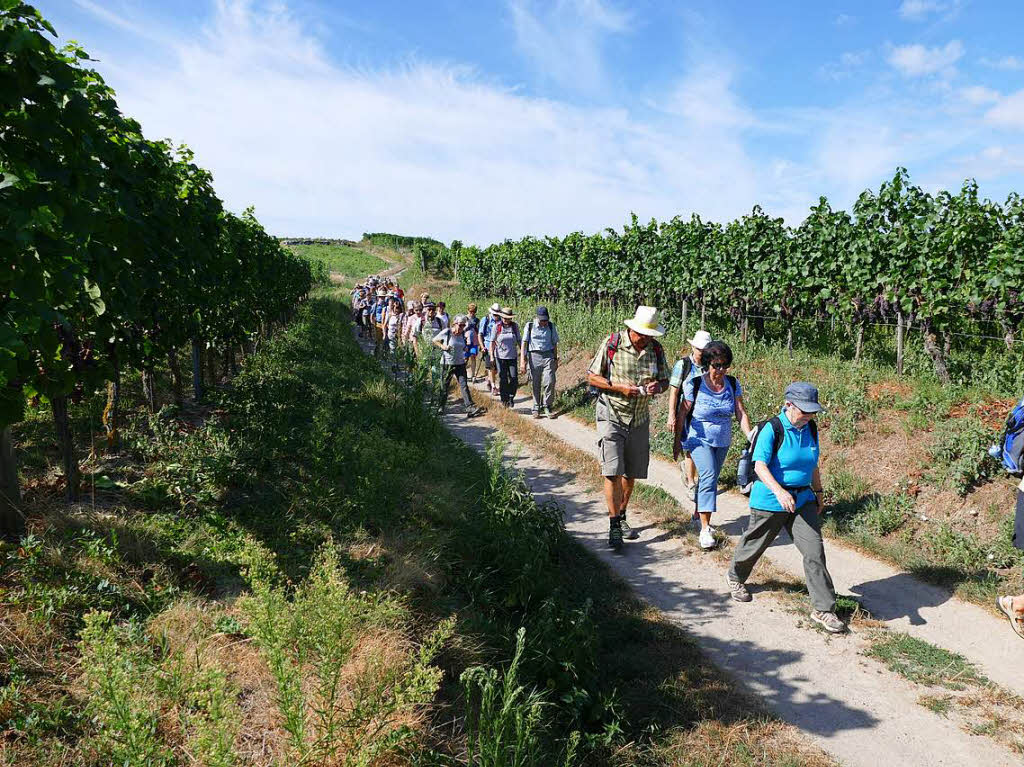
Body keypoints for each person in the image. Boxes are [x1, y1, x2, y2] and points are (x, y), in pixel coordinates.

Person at [726, 382, 845, 634]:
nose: (810, 416)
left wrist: (819, 492)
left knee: (814, 550)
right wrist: (779, 492)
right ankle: (735, 577)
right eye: (805, 410)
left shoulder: (810, 427)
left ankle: (824, 608)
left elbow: (812, 464)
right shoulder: (772, 428)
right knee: (755, 543)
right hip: (770, 499)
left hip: (803, 500)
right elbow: (759, 465)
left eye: (813, 411)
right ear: (789, 405)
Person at [586, 306, 670, 549]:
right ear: (632, 330)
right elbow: (592, 376)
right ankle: (614, 526)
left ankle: (622, 515)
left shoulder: (655, 350)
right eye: (643, 334)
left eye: (650, 335)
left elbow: (665, 380)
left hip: (640, 418)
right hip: (611, 413)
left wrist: (658, 387)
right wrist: (617, 387)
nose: (647, 339)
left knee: (631, 472)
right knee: (611, 470)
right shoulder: (612, 344)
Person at [677, 340, 753, 550]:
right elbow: (682, 413)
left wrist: (750, 435)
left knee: (710, 477)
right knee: (709, 475)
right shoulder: (694, 384)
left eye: (724, 365)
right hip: (698, 438)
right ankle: (705, 529)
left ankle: (697, 511)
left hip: (722, 439)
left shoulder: (732, 383)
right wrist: (677, 441)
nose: (720, 370)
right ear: (707, 364)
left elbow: (740, 412)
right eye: (716, 365)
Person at [668, 330, 712, 500]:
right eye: (699, 348)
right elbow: (674, 391)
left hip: (706, 414)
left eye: (705, 349)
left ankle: (694, 475)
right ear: (693, 347)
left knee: (703, 447)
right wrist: (672, 415)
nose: (702, 352)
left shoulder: (711, 365)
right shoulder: (683, 365)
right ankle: (691, 482)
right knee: (690, 447)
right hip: (686, 413)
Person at [433, 316, 484, 418]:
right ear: (454, 324)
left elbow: (463, 348)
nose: (462, 327)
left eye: (463, 325)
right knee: (445, 386)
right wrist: (443, 347)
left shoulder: (462, 335)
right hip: (447, 363)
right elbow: (435, 340)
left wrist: (468, 348)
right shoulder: (447, 332)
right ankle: (440, 406)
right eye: (460, 325)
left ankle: (470, 407)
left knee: (464, 385)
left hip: (460, 363)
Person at [520, 306, 559, 419]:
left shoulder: (551, 326)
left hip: (548, 356)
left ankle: (547, 405)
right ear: (537, 317)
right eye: (542, 320)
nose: (544, 322)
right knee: (535, 382)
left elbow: (555, 343)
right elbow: (524, 343)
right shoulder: (530, 326)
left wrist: (555, 359)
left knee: (550, 381)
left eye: (545, 320)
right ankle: (536, 406)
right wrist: (522, 361)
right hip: (534, 356)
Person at [489, 307, 521, 408]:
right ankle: (504, 400)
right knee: (503, 378)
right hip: (500, 357)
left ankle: (511, 396)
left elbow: (519, 340)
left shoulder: (515, 327)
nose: (505, 320)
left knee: (514, 378)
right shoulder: (497, 327)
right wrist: (491, 357)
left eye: (508, 318)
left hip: (512, 356)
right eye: (504, 317)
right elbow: (492, 342)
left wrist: (524, 354)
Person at [479, 303, 501, 397]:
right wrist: (482, 346)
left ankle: (489, 379)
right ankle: (493, 386)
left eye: (498, 314)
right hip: (488, 346)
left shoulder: (501, 321)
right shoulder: (486, 319)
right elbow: (480, 334)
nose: (496, 316)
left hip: (499, 348)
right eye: (495, 314)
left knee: (496, 369)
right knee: (491, 367)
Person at [464, 303, 481, 382]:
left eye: (474, 311)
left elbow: (479, 332)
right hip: (466, 341)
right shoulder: (464, 318)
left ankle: (473, 375)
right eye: (471, 311)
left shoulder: (477, 320)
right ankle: (463, 374)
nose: (472, 313)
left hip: (474, 342)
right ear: (468, 310)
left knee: (473, 357)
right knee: (465, 358)